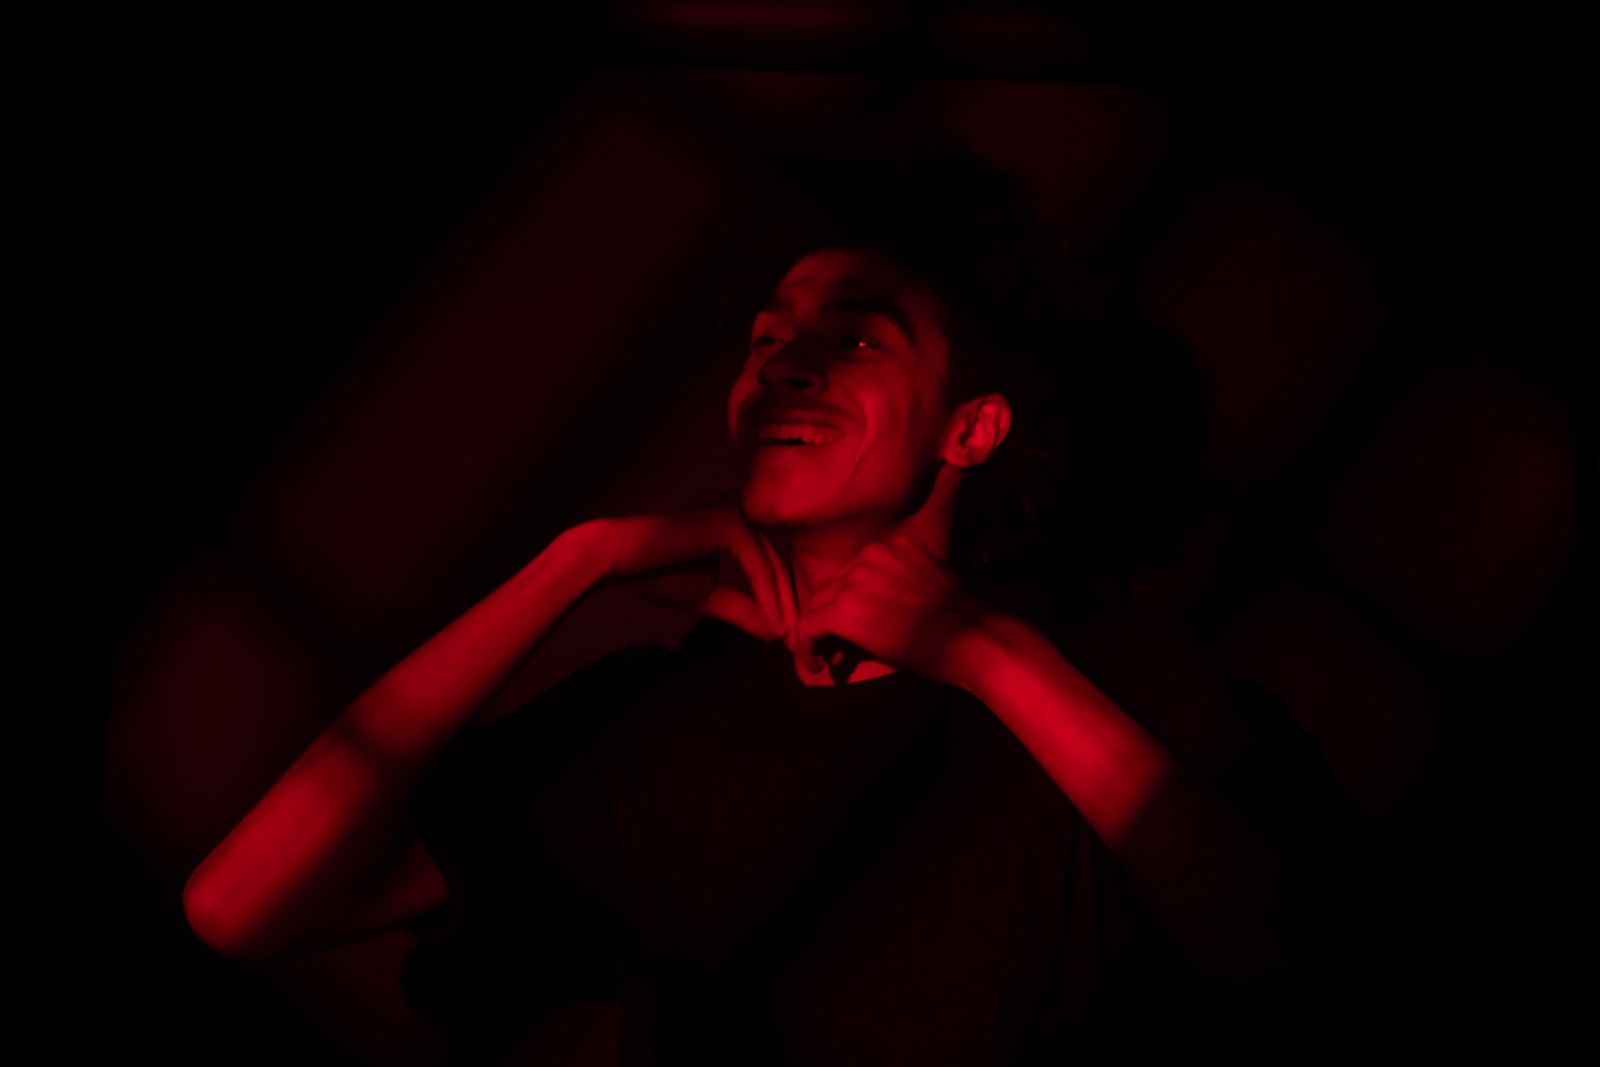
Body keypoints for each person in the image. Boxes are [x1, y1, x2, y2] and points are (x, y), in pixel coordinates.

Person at [183, 142, 1379, 1063]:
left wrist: (991, 655)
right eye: (767, 340)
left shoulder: (1118, 685)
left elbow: (1303, 965)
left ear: (972, 428)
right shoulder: (657, 724)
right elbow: (240, 905)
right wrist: (575, 562)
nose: (781, 367)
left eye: (854, 342)